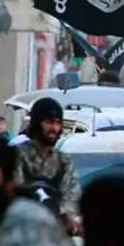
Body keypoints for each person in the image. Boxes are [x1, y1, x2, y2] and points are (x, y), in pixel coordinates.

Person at [12, 97, 82, 235]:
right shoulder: (16, 156)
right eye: (49, 122)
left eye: (58, 123)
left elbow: (72, 198)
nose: (54, 128)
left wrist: (66, 218)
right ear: (37, 123)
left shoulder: (63, 162)